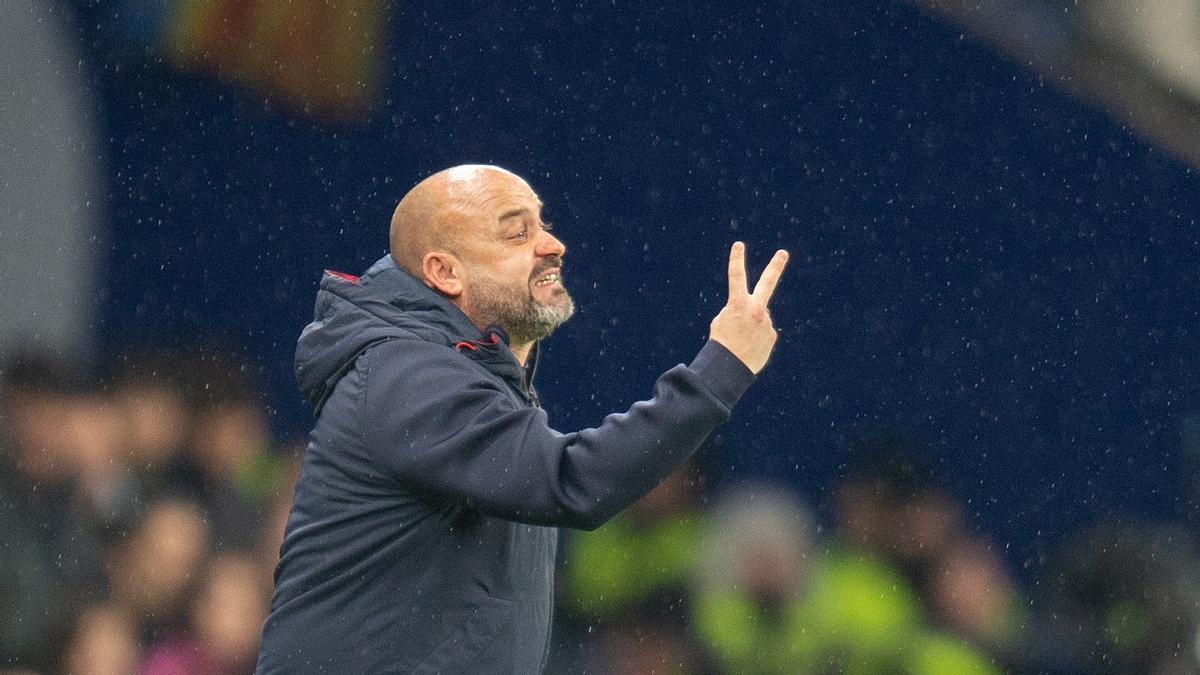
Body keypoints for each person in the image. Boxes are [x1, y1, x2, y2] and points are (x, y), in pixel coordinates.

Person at [255, 165, 788, 673]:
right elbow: (573, 482)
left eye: (544, 225)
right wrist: (722, 367)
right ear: (444, 272)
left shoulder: (464, 376)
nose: (553, 245)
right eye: (516, 233)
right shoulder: (407, 373)